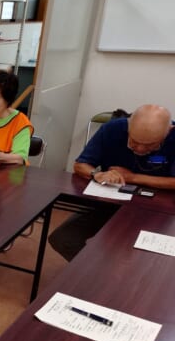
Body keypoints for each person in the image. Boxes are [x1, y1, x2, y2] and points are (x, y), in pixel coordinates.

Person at [49, 104, 175, 261]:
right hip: (111, 203)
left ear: (169, 131)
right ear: (128, 125)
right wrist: (97, 174)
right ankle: (92, 272)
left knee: (150, 258)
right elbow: (80, 165)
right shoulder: (112, 130)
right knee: (63, 239)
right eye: (134, 141)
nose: (140, 149)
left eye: (150, 145)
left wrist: (133, 177)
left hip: (157, 211)